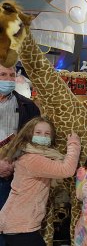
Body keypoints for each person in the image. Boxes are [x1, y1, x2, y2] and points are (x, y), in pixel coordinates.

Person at [0, 117, 81, 246]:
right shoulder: (32, 159)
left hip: (20, 224)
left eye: (47, 134)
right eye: (38, 133)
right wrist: (74, 144)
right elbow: (67, 170)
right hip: (20, 225)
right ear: (29, 134)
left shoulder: (32, 154)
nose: (43, 136)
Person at [0, 64, 40, 246]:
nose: (8, 79)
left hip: (15, 179)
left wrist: (15, 163)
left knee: (10, 230)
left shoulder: (28, 106)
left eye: (11, 75)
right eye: (2, 74)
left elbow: (34, 143)